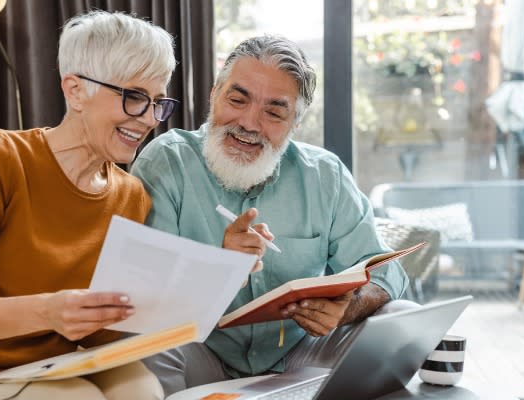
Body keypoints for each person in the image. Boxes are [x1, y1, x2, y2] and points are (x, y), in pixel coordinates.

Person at [0, 11, 178, 400]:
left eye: (158, 102)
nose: (148, 119)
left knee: (141, 388)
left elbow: (100, 336)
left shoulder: (131, 195)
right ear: (75, 91)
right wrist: (48, 310)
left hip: (49, 371)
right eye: (134, 97)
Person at [130, 35, 413, 396]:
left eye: (274, 112)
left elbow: (386, 271)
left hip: (297, 355)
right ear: (214, 94)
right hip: (200, 355)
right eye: (237, 99)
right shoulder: (167, 162)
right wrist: (219, 267)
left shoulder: (325, 175)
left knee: (399, 316)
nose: (249, 123)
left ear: (296, 123)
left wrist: (348, 307)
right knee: (148, 341)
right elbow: (144, 294)